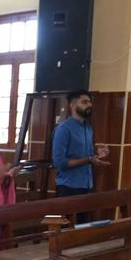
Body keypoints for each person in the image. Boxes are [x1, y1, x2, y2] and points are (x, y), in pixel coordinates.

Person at [53, 90, 109, 224]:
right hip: (68, 187)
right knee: (64, 231)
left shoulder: (88, 128)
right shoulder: (63, 129)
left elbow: (88, 157)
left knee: (82, 229)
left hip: (86, 185)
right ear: (72, 105)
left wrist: (98, 156)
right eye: (84, 102)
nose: (89, 105)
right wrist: (89, 159)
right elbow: (59, 163)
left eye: (90, 102)